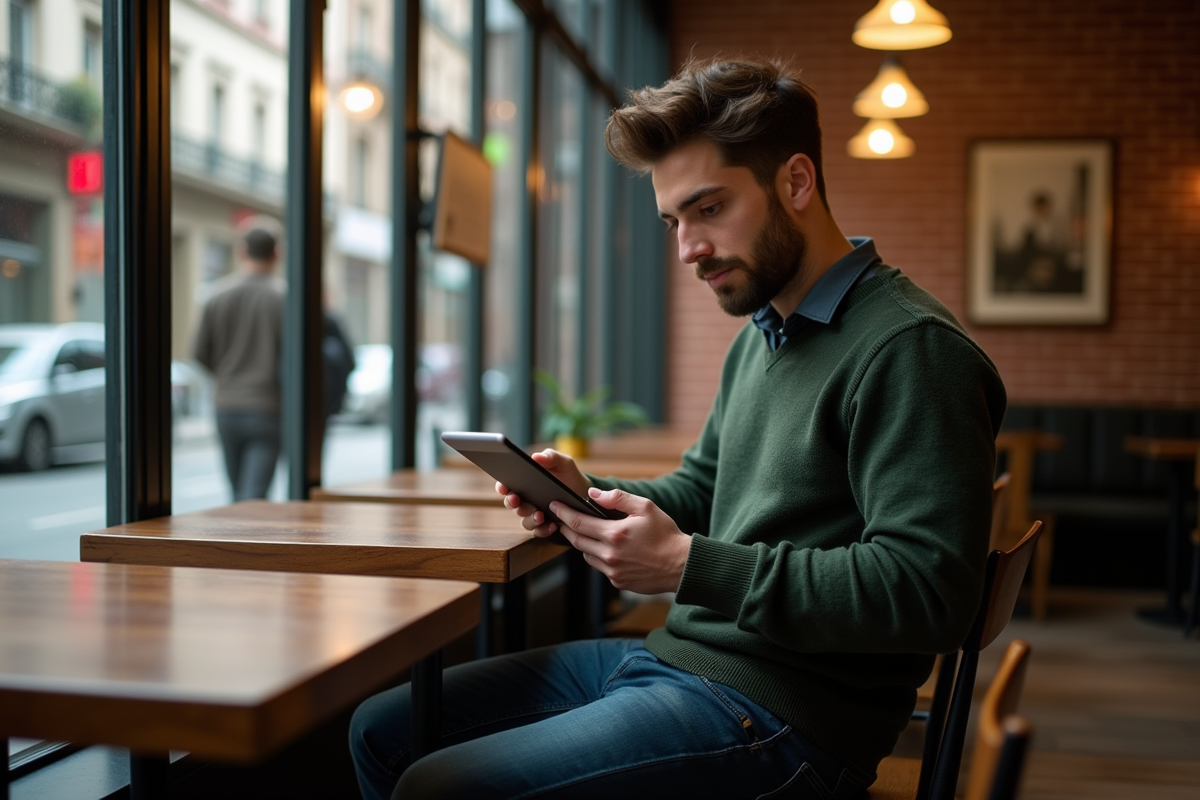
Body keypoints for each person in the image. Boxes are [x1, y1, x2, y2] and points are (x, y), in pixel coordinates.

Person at [350, 57, 1007, 800]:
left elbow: (929, 593)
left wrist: (688, 568)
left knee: (440, 786)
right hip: (684, 660)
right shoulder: (764, 334)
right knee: (381, 728)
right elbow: (702, 486)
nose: (688, 249)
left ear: (796, 182)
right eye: (673, 221)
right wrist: (584, 493)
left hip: (787, 717)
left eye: (709, 209)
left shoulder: (911, 350)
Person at [193, 216, 285, 501]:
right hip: (268, 408)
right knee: (254, 496)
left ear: (241, 251)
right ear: (276, 254)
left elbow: (198, 352)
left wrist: (227, 375)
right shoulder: (286, 297)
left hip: (227, 407)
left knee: (237, 496)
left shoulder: (216, 295)